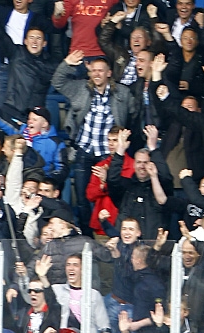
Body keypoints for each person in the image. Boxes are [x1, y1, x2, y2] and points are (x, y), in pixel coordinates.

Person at [52, 52, 136, 236]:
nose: (97, 74)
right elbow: (57, 82)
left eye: (101, 71)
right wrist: (67, 63)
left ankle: (108, 232)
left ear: (109, 73)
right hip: (84, 149)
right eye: (93, 71)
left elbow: (133, 113)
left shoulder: (122, 92)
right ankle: (86, 236)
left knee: (107, 195)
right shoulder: (81, 88)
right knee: (82, 198)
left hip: (108, 152)